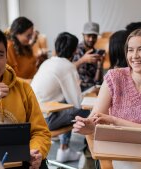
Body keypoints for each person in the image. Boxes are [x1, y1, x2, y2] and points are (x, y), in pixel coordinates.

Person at [73, 29, 141, 169]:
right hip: (123, 144)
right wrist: (87, 125)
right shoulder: (114, 78)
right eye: (130, 50)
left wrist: (114, 120)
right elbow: (94, 120)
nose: (134, 55)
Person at [0, 26, 51, 169]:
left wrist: (36, 151)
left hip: (22, 162)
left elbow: (40, 131)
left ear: (7, 56)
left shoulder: (23, 88)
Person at [31, 32, 90, 163]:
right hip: (46, 120)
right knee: (91, 110)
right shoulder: (67, 66)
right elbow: (77, 102)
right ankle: (89, 154)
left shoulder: (47, 62)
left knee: (65, 103)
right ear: (75, 50)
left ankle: (64, 149)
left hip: (33, 118)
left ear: (56, 47)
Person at [72, 22, 104, 91]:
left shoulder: (97, 53)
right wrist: (82, 60)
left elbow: (98, 82)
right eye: (89, 36)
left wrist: (99, 67)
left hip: (92, 89)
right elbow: (66, 70)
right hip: (77, 88)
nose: (91, 39)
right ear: (83, 35)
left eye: (94, 36)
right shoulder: (74, 50)